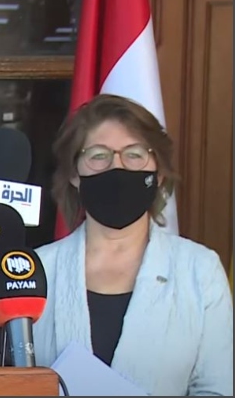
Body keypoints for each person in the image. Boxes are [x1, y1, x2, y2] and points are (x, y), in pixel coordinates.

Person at [33, 94, 233, 396]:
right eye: (98, 155)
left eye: (134, 154)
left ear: (159, 173)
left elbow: (218, 389)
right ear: (74, 173)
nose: (117, 167)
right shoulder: (36, 272)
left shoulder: (200, 270)